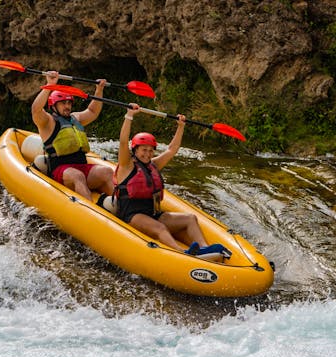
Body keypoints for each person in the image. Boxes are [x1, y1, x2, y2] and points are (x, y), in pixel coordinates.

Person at [114, 104, 231, 258]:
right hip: (132, 215)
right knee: (160, 228)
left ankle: (204, 249)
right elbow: (123, 142)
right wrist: (129, 116)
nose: (148, 154)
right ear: (135, 149)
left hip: (153, 212)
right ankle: (181, 253)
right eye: (144, 150)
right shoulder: (126, 165)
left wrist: (180, 126)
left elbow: (172, 149)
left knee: (190, 218)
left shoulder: (153, 165)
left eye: (150, 150)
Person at [31, 71, 114, 201]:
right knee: (77, 176)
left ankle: (122, 209)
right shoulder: (47, 122)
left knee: (107, 172)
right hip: (61, 170)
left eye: (69, 103)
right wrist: (50, 85)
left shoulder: (76, 118)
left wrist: (99, 90)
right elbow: (36, 109)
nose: (67, 106)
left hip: (82, 167)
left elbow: (92, 111)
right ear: (53, 106)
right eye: (63, 103)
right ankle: (90, 213)